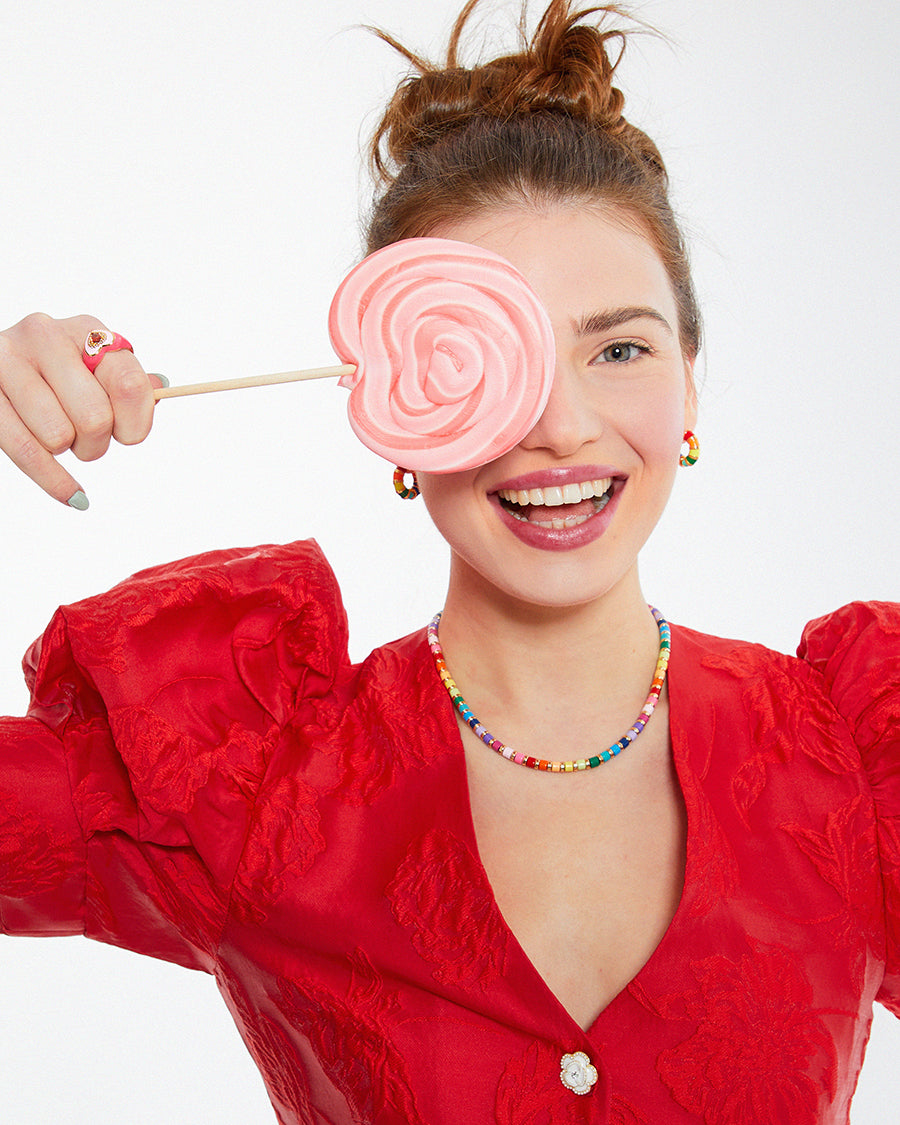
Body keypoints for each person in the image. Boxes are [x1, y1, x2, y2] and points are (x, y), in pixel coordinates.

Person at [0, 1, 897, 1122]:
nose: (559, 426)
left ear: (691, 384)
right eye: (487, 362)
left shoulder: (854, 768)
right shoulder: (247, 783)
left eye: (619, 347)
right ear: (389, 406)